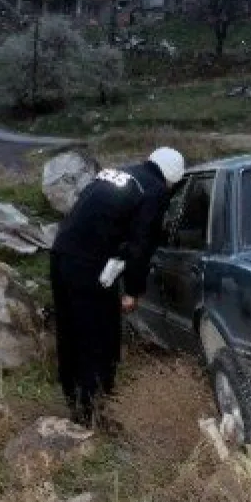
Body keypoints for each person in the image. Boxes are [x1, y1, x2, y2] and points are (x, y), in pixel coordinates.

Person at [49, 146, 186, 429]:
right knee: (99, 335)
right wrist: (132, 291)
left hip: (61, 254)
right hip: (88, 266)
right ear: (172, 179)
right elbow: (140, 245)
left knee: (70, 330)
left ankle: (73, 397)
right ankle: (94, 412)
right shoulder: (155, 190)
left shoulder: (120, 172)